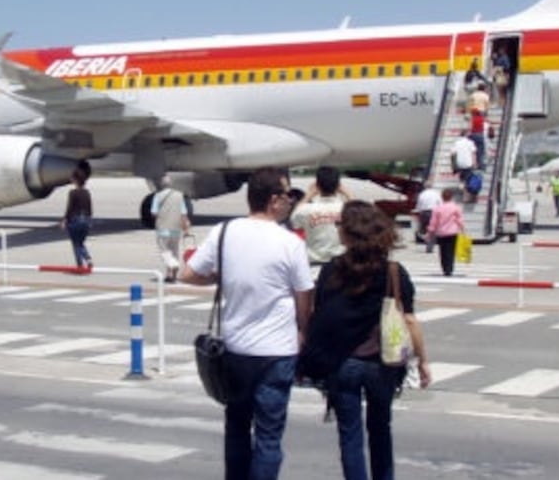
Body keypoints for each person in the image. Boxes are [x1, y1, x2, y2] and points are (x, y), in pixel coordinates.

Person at [181, 167, 314, 480]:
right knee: (269, 435)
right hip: (277, 352)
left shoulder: (224, 232)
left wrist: (219, 276)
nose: (289, 202)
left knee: (237, 427)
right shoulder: (289, 242)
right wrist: (303, 332)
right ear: (273, 201)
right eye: (286, 195)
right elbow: (304, 295)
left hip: (236, 349)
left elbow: (187, 273)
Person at [302, 201, 432, 480]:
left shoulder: (332, 270)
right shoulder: (394, 272)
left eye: (340, 225)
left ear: (349, 233)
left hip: (343, 361)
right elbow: (409, 319)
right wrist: (422, 361)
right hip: (382, 363)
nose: (336, 229)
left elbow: (321, 313)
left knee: (349, 435)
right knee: (381, 429)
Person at [289, 166, 349, 265]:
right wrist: (347, 192)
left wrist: (309, 194)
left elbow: (294, 218)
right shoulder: (346, 208)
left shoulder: (306, 209)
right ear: (338, 185)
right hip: (341, 263)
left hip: (314, 263)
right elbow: (360, 211)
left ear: (317, 185)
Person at [151, 175, 192, 282]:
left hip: (163, 228)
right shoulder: (179, 196)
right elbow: (183, 214)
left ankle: (173, 267)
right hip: (176, 229)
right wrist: (186, 228)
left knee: (165, 251)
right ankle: (172, 275)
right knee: (174, 251)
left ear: (161, 184)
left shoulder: (158, 196)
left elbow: (154, 212)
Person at [60, 161, 93, 269]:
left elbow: (70, 208)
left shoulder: (72, 193)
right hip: (86, 220)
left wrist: (65, 220)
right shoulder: (87, 192)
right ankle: (88, 259)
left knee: (76, 244)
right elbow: (90, 208)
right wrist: (89, 221)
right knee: (80, 243)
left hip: (75, 220)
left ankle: (80, 265)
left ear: (76, 180)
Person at [426, 188, 465, 277]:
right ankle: (449, 269)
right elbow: (459, 220)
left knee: (443, 251)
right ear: (451, 197)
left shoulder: (437, 208)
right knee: (451, 251)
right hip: (453, 232)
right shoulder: (456, 207)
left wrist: (430, 232)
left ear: (442, 197)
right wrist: (462, 229)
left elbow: (433, 222)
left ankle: (444, 268)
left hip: (441, 233)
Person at [414, 182, 442, 255]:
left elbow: (419, 205)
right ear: (431, 186)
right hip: (434, 212)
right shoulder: (436, 193)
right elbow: (440, 204)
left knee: (423, 230)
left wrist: (418, 211)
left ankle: (427, 240)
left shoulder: (422, 194)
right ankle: (430, 246)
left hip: (424, 213)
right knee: (433, 231)